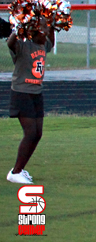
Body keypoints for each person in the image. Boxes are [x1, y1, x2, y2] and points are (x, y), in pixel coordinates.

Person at [6, 20, 55, 183]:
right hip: (22, 92)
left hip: (36, 93)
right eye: (44, 29)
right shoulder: (23, 44)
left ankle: (20, 168)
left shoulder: (43, 44)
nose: (47, 32)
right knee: (31, 133)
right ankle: (15, 172)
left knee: (38, 134)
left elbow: (51, 42)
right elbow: (10, 42)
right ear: (34, 30)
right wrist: (21, 25)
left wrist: (54, 23)